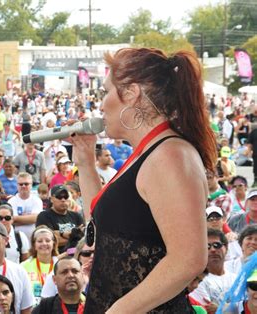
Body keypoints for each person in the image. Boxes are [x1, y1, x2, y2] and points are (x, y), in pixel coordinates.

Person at [70, 48, 216, 312]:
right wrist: (85, 162)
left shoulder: (170, 155)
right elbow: (101, 229)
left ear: (131, 92)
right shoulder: (146, 155)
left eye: (106, 91)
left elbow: (189, 259)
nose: (101, 103)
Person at [190, 229, 237, 312]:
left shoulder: (236, 278)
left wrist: (219, 309)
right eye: (207, 246)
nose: (212, 250)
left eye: (217, 245)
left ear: (226, 247)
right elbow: (207, 310)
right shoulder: (197, 281)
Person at [35, 185, 84, 253]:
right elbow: (48, 241)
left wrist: (57, 234)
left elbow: (83, 240)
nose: (63, 200)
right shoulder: (44, 216)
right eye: (59, 197)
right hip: (56, 255)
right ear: (51, 199)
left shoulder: (76, 216)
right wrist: (73, 238)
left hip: (76, 255)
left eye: (66, 197)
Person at [21, 226, 58, 305]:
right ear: (34, 245)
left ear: (53, 243)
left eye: (48, 240)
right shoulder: (23, 267)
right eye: (40, 241)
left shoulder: (60, 266)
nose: (44, 243)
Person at [9, 172, 43, 240]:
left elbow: (35, 218)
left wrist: (16, 218)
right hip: (17, 239)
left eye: (26, 184)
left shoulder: (37, 200)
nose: (23, 186)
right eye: (21, 184)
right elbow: (11, 221)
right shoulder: (11, 201)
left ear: (31, 185)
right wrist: (29, 218)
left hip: (34, 238)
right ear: (17, 185)